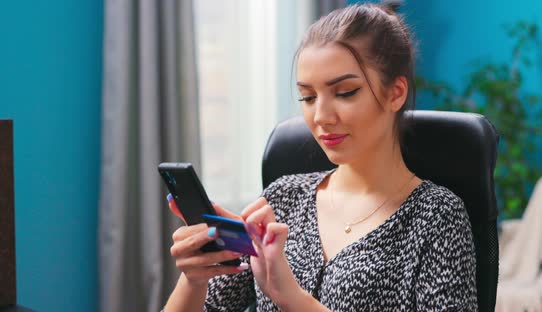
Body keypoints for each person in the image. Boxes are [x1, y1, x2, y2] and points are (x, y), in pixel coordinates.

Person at [163, 3, 477, 311]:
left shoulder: (437, 217)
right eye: (308, 97)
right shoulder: (281, 199)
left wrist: (294, 299)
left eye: (345, 92)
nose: (321, 116)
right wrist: (194, 279)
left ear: (395, 93)